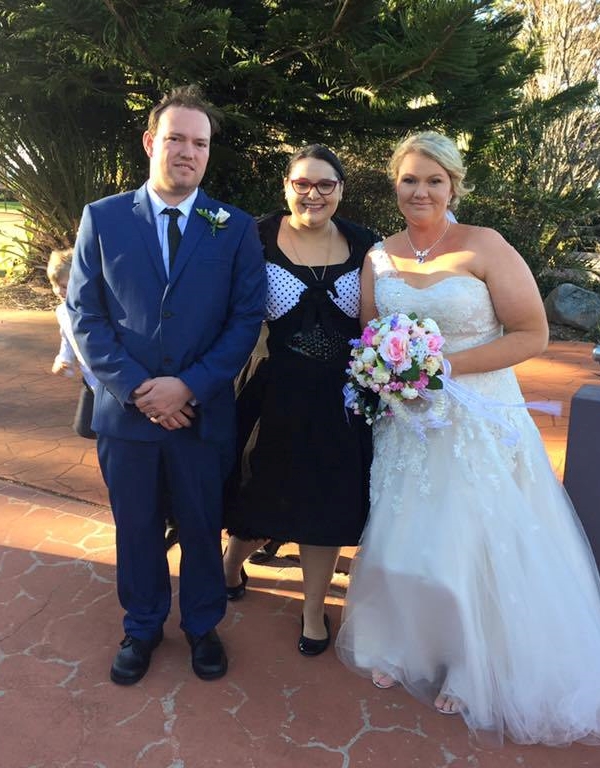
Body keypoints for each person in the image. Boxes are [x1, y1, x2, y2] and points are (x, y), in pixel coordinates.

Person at [336, 131, 600, 746]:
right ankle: (407, 642)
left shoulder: (486, 245)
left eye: (434, 180)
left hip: (478, 417)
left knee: (471, 538)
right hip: (407, 421)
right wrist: (390, 375)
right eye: (409, 179)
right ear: (395, 184)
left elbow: (531, 333)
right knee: (407, 532)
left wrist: (443, 368)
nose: (420, 191)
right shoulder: (379, 256)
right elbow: (371, 335)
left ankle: (468, 660)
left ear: (453, 185)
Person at [67, 85, 266, 685]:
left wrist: (188, 387)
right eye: (177, 138)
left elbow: (244, 320)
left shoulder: (234, 227)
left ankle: (203, 626)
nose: (188, 152)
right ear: (151, 142)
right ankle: (143, 626)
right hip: (126, 416)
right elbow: (85, 315)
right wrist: (138, 390)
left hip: (200, 415)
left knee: (203, 525)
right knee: (137, 528)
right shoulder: (103, 218)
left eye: (200, 143)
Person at [223, 145, 377, 655]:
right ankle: (232, 564)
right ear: (286, 187)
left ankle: (313, 610)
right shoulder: (255, 237)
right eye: (302, 184)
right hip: (273, 391)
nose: (313, 194)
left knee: (326, 502)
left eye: (325, 184)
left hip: (341, 398)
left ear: (341, 190)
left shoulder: (364, 244)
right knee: (260, 490)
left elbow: (378, 316)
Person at [47, 248, 99, 439]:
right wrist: (63, 360)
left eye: (64, 286)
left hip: (109, 381)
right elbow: (67, 339)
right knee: (85, 428)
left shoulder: (96, 309)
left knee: (108, 431)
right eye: (54, 285)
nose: (58, 291)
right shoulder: (62, 311)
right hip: (90, 380)